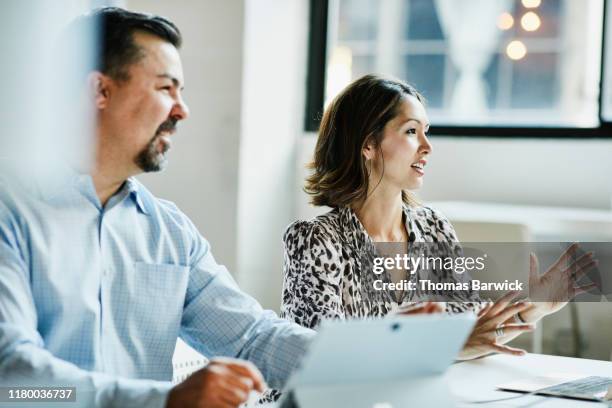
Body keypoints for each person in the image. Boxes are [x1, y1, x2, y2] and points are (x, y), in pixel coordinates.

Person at [0, 7, 316, 408]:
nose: (182, 110)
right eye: (167, 89)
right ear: (99, 91)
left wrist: (376, 353)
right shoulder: (10, 211)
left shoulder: (169, 232)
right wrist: (165, 400)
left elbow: (253, 337)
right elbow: (12, 380)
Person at [280, 74, 598, 360]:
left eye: (426, 132)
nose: (428, 146)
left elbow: (474, 333)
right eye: (411, 131)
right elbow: (315, 359)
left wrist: (534, 309)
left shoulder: (433, 227)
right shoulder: (315, 239)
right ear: (368, 144)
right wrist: (449, 347)